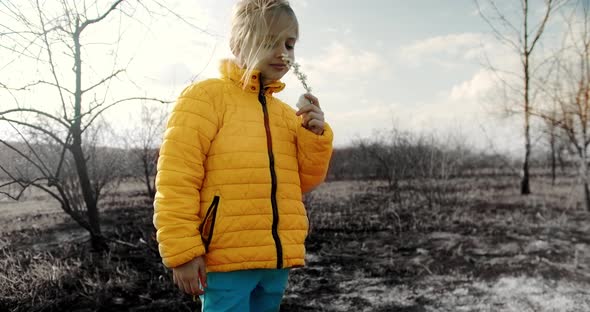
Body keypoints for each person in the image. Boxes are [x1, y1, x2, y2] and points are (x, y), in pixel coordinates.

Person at [153, 0, 333, 311]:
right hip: (226, 259)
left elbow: (302, 183)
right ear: (239, 42)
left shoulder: (286, 115)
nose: (283, 53)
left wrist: (313, 136)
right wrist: (182, 251)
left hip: (275, 261)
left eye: (289, 44)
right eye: (268, 41)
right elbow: (176, 180)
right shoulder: (205, 98)